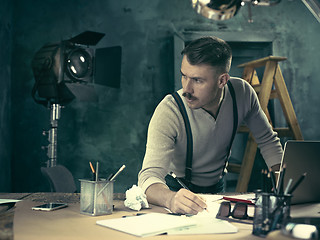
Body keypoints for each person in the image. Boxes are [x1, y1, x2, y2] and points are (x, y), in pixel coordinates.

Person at [138, 36, 283, 215]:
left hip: (217, 189)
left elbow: (268, 141)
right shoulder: (169, 110)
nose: (187, 89)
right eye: (184, 76)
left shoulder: (242, 93)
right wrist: (170, 199)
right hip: (176, 192)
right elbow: (148, 176)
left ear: (222, 80)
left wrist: (284, 186)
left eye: (197, 80)